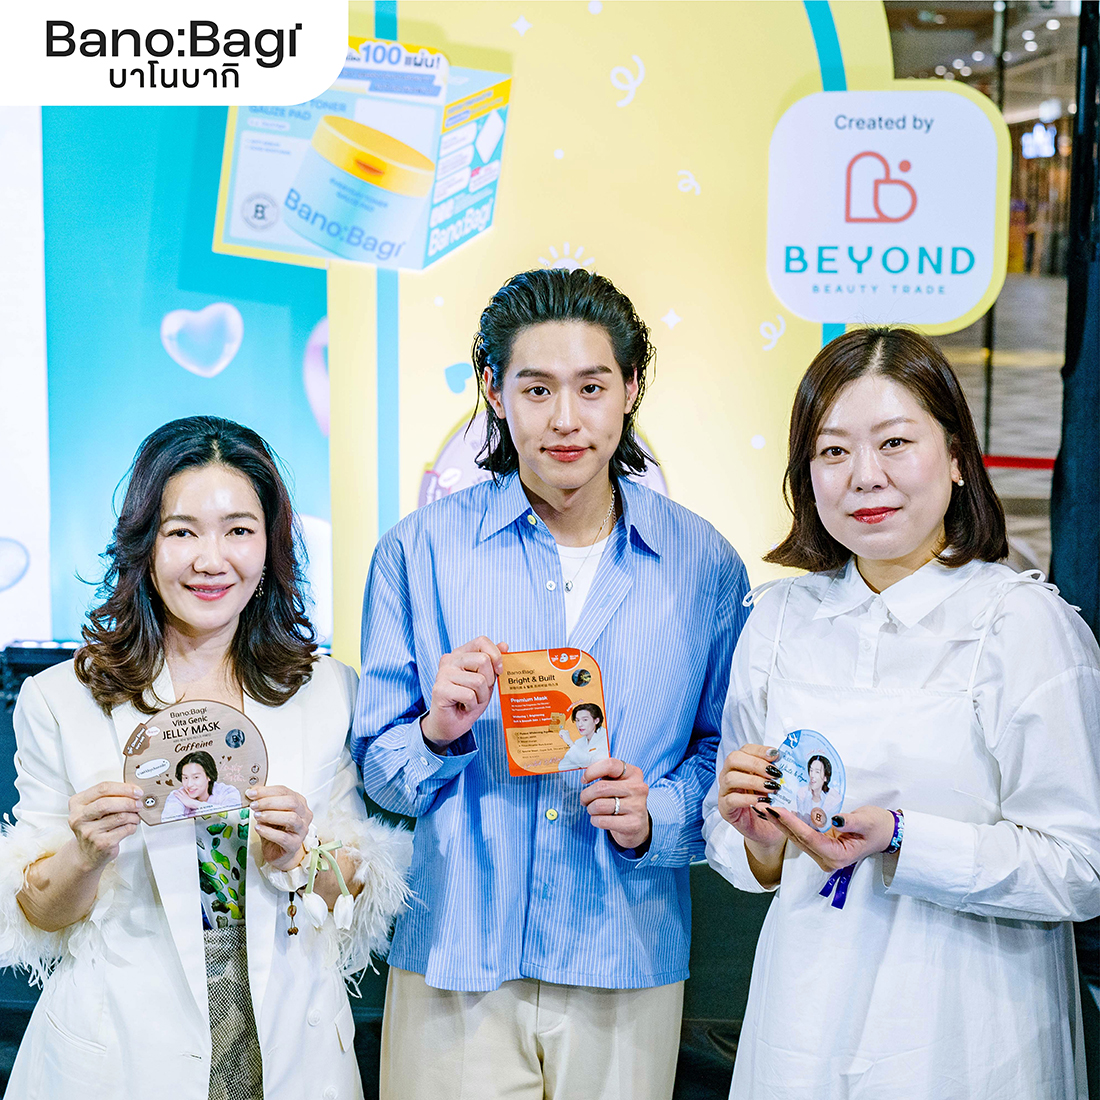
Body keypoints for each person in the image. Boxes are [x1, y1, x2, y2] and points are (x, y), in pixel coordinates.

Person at [354, 268, 750, 1100]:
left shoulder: (704, 564)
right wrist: (435, 732)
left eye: (592, 387)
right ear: (494, 391)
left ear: (631, 388)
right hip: (456, 954)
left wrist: (658, 814)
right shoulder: (416, 552)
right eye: (536, 389)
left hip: (625, 954)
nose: (565, 418)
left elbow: (725, 757)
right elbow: (379, 771)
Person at [703, 327, 1100, 1099]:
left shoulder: (1021, 625)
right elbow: (737, 835)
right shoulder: (778, 619)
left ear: (956, 457)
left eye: (894, 443)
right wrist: (756, 839)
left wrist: (904, 839)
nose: (865, 476)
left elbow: (1081, 868)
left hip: (968, 1033)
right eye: (833, 451)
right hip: (802, 1025)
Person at [0, 416, 411, 1100]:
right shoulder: (61, 699)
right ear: (144, 546)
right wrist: (86, 854)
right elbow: (38, 910)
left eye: (239, 530)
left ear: (271, 546)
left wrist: (301, 856)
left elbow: (352, 891)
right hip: (120, 1058)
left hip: (292, 1054)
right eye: (182, 532)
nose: (211, 560)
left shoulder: (329, 690)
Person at [161, 751, 243, 822]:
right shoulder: (178, 795)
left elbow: (235, 819)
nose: (189, 784)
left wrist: (196, 804)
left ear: (209, 776)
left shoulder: (227, 791)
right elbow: (170, 825)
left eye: (196, 777)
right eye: (185, 778)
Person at [557, 702, 610, 771]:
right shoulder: (579, 742)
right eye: (577, 720)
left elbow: (596, 765)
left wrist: (570, 743)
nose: (580, 724)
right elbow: (562, 766)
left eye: (585, 720)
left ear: (596, 720)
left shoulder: (606, 737)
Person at [793, 754, 837, 828]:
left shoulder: (833, 798)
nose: (812, 775)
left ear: (825, 777)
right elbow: (801, 819)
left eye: (817, 772)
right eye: (811, 770)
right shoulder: (802, 793)